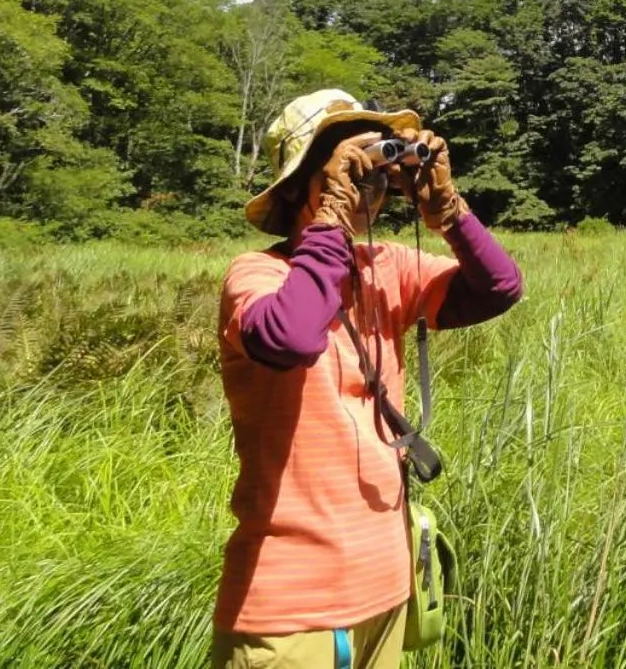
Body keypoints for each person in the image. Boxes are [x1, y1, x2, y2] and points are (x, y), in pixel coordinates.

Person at [210, 89, 524, 669]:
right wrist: (331, 216)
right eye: (347, 173)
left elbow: (498, 287)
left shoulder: (389, 268)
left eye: (374, 176)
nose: (366, 190)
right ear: (300, 184)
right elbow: (288, 339)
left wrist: (447, 209)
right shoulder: (256, 274)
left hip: (385, 581)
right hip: (286, 602)